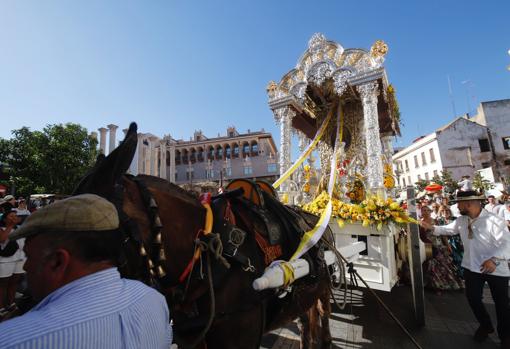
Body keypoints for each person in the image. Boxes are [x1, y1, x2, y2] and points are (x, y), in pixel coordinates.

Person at [0, 194, 172, 348]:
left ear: (57, 262)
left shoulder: (14, 340)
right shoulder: (154, 300)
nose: (25, 266)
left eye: (29, 256)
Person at [420, 191, 510, 347]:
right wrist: (430, 227)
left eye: (459, 203)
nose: (456, 206)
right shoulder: (461, 220)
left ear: (469, 203)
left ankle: (506, 336)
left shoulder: (493, 220)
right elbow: (447, 230)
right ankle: (486, 325)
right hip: (472, 267)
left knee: (501, 304)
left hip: (496, 269)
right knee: (473, 299)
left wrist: (494, 259)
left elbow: (507, 244)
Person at [420, 206, 463, 291]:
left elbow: (443, 233)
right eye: (423, 210)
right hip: (425, 246)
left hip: (436, 245)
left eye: (426, 210)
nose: (424, 212)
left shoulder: (434, 221)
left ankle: (441, 284)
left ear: (430, 211)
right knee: (428, 266)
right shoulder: (420, 221)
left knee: (439, 265)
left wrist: (448, 245)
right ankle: (431, 284)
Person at [0, 210, 25, 316]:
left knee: (14, 282)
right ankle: (1, 307)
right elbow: (2, 239)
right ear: (5, 219)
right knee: (3, 285)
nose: (14, 217)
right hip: (6, 260)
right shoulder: (2, 229)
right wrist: (10, 226)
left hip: (20, 258)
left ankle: (11, 303)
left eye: (15, 216)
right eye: (11, 216)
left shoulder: (20, 228)